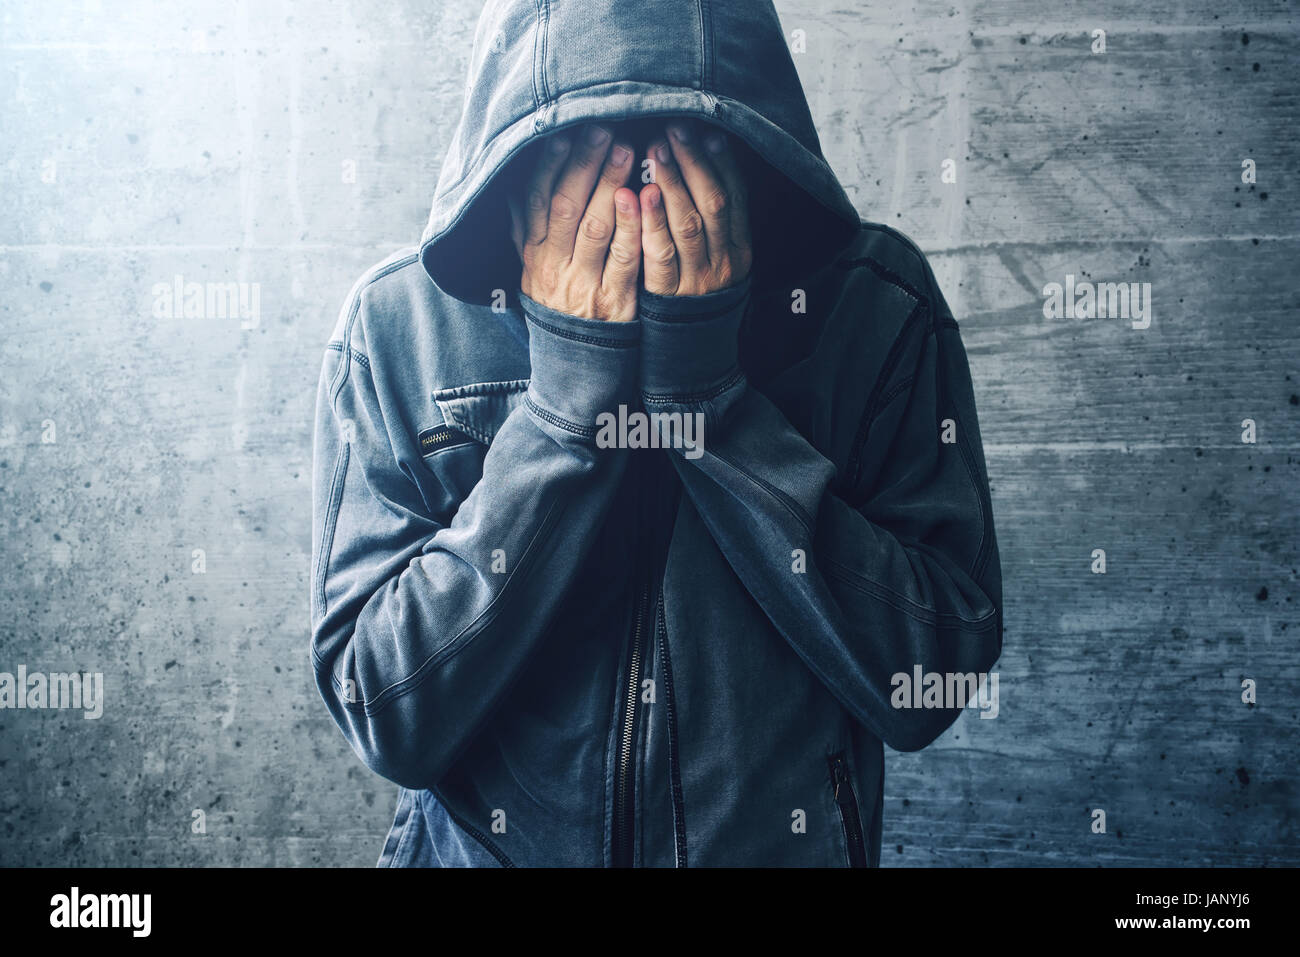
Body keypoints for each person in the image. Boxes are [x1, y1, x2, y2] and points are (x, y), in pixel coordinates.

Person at [310, 0, 1002, 867]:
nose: (636, 192)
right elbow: (383, 706)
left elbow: (928, 674)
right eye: (588, 149)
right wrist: (563, 416)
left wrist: (712, 405)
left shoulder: (873, 303)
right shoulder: (398, 324)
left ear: (751, 145)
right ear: (516, 147)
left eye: (677, 145)